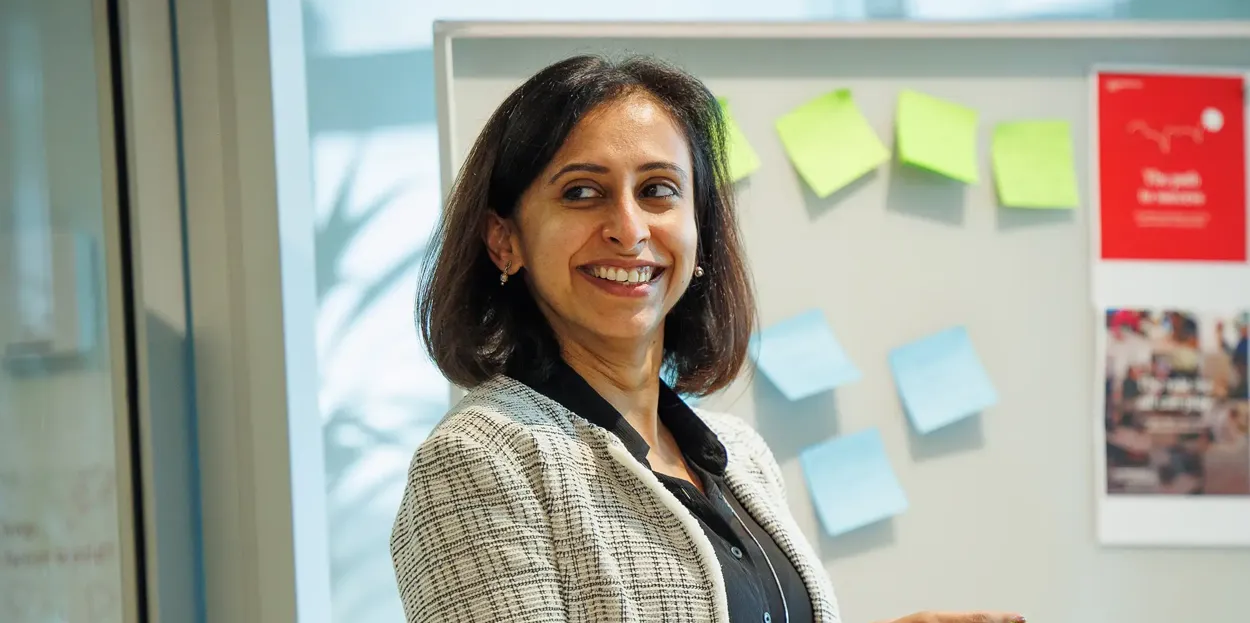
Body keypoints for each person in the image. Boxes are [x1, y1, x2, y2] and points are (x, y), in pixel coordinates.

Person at [392, 54, 1026, 623]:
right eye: (582, 192)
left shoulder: (741, 455)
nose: (629, 229)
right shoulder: (478, 460)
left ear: (698, 230)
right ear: (504, 240)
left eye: (658, 191)